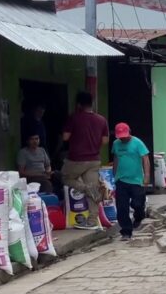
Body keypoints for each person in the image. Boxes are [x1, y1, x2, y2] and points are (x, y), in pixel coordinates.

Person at [62, 91, 109, 230]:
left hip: (76, 159)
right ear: (92, 103)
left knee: (65, 177)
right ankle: (92, 220)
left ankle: (86, 189)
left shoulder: (74, 118)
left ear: (78, 104)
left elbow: (65, 137)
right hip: (94, 159)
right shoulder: (101, 119)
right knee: (94, 189)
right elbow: (105, 140)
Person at [111, 123, 150, 241]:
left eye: (125, 136)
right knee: (122, 207)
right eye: (120, 136)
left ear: (129, 132)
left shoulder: (137, 143)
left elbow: (145, 159)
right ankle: (126, 231)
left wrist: (147, 175)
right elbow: (116, 158)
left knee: (137, 203)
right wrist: (114, 174)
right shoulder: (116, 144)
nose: (123, 138)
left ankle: (139, 216)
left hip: (136, 180)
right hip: (121, 180)